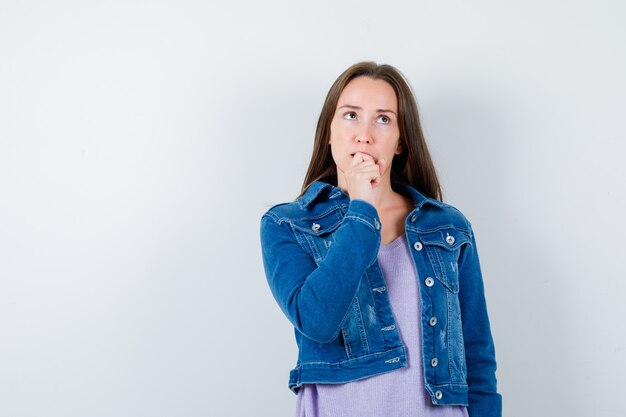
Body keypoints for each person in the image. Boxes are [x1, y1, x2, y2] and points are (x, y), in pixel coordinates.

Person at [259, 62, 502, 417]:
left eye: (383, 119)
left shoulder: (448, 228)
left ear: (401, 141)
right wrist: (361, 209)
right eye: (351, 116)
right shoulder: (286, 225)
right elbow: (318, 321)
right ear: (329, 132)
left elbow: (477, 358)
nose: (365, 134)